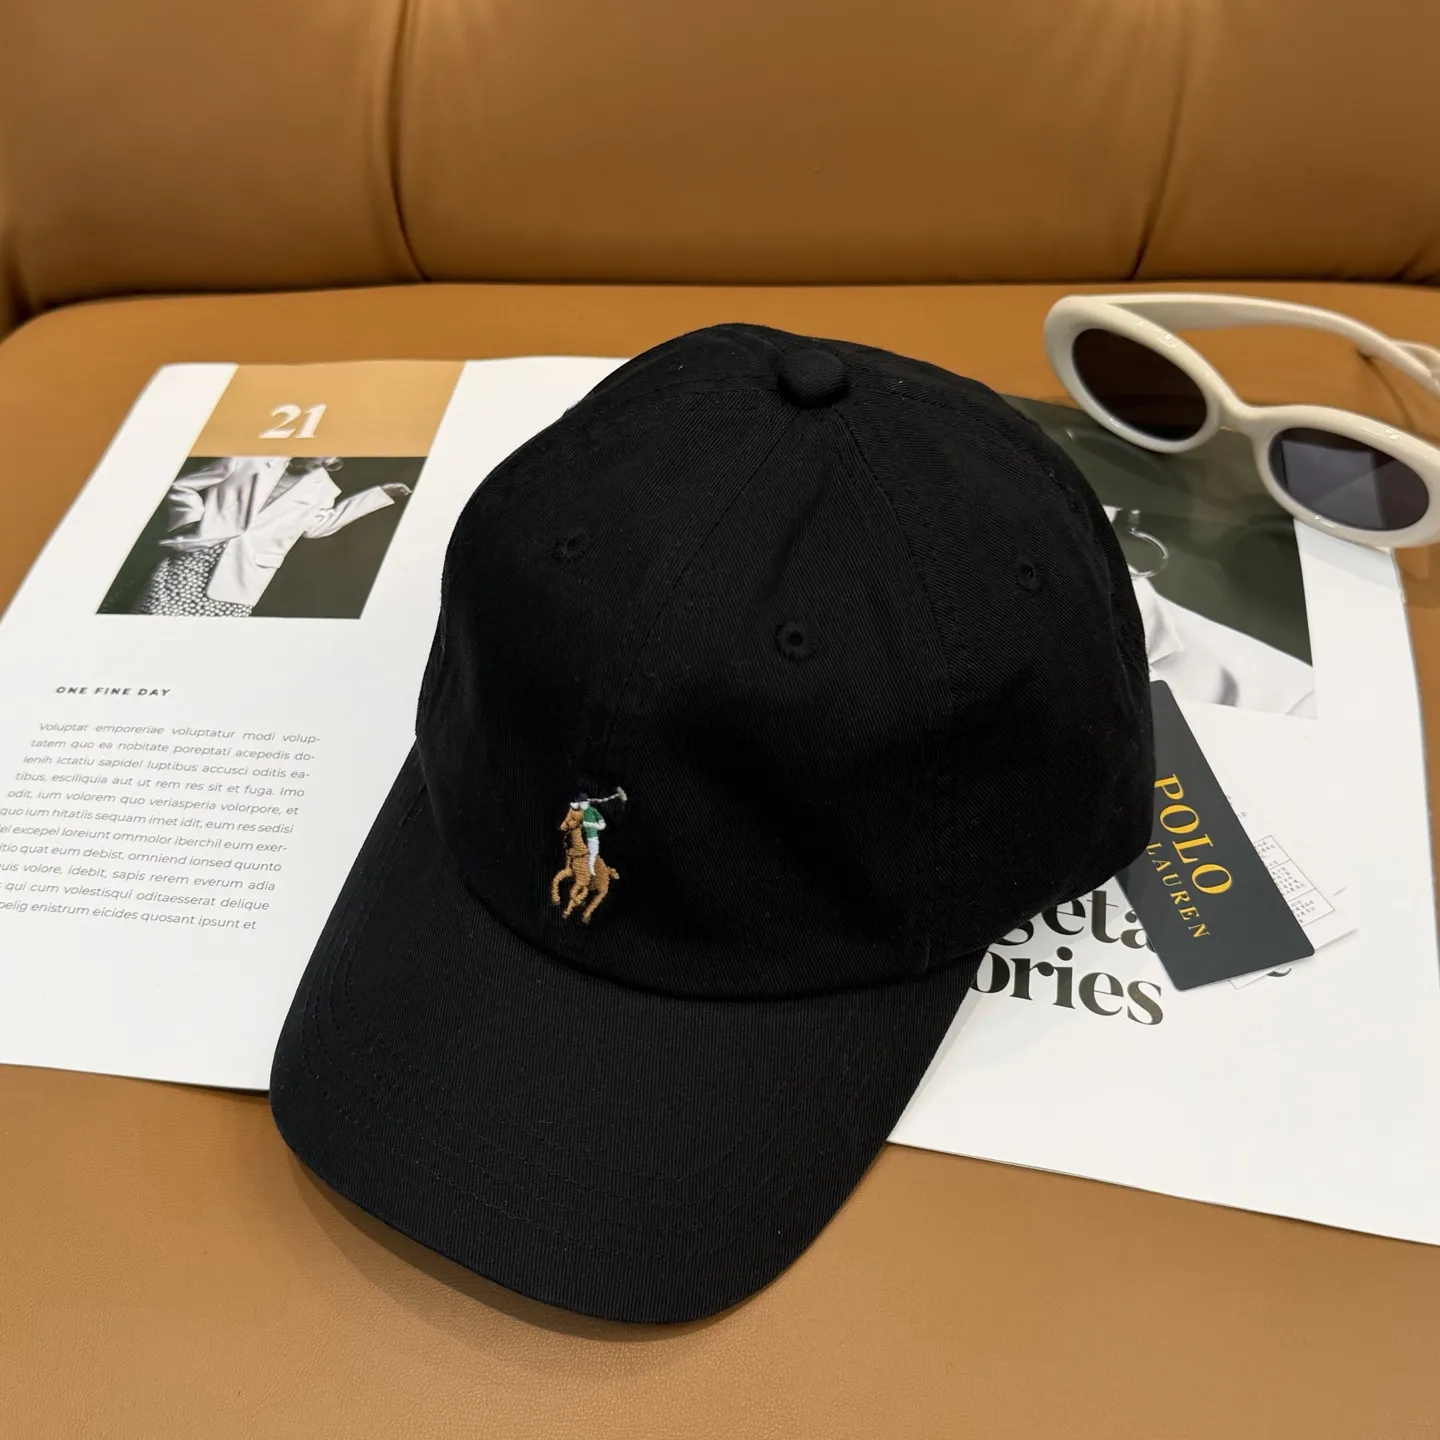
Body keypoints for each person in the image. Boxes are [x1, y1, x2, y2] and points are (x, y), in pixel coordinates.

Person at [129, 455, 411, 617]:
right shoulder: (247, 460)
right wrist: (190, 519)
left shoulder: (325, 490)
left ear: (335, 460)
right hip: (197, 552)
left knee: (207, 642)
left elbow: (318, 528)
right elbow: (183, 487)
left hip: (243, 576)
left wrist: (379, 495)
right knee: (152, 616)